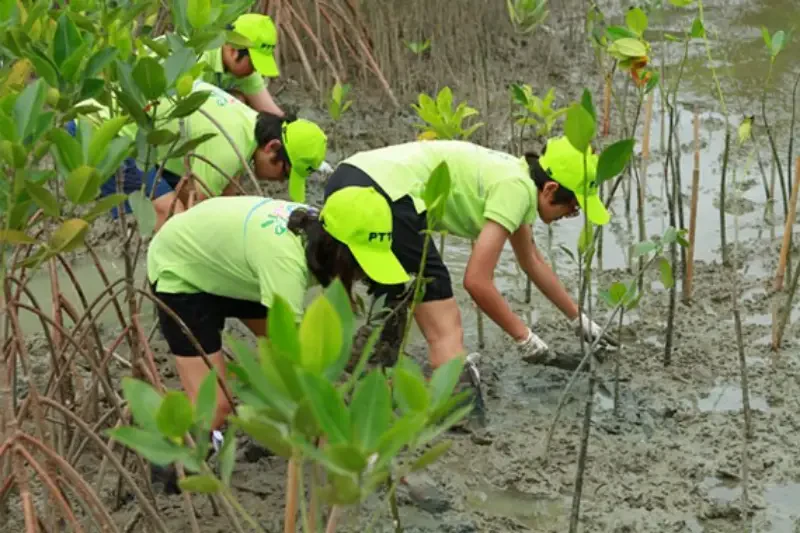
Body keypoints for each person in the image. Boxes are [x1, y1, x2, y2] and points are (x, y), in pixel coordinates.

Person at [324, 137, 619, 400]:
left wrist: (577, 318)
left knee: (400, 284)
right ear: (551, 188)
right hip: (381, 192)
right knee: (434, 284)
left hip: (351, 178)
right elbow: (477, 281)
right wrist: (524, 338)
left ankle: (364, 365)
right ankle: (452, 392)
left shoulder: (517, 179)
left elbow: (531, 260)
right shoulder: (516, 189)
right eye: (572, 207)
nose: (571, 215)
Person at [147, 186, 409, 438]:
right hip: (180, 270)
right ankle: (169, 469)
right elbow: (294, 357)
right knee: (216, 408)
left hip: (233, 267)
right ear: (339, 251)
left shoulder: (322, 230)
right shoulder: (286, 262)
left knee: (291, 367)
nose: (363, 275)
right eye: (360, 263)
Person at [76, 81, 327, 230]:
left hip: (130, 135)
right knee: (176, 220)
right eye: (284, 172)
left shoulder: (245, 124)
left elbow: (223, 203)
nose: (280, 182)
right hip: (96, 130)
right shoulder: (229, 148)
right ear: (272, 147)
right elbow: (201, 222)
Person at [199, 13, 284, 116]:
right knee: (233, 103)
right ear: (233, 50)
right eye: (253, 65)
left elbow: (273, 113)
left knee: (237, 100)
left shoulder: (244, 72)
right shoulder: (199, 55)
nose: (255, 71)